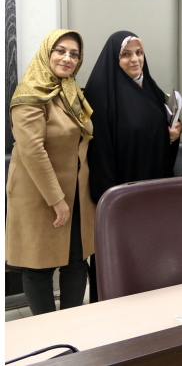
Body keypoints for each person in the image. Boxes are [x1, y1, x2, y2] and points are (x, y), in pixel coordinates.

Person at [83, 31, 182, 302]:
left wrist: (173, 134)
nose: (135, 59)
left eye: (139, 53)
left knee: (150, 258)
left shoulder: (148, 87)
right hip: (121, 191)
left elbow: (159, 129)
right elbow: (99, 152)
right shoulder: (100, 93)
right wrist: (110, 198)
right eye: (126, 54)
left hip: (152, 187)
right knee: (120, 262)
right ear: (114, 59)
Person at [6, 29, 95, 315]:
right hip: (38, 193)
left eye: (74, 54)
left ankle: (71, 326)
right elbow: (32, 150)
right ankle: (46, 331)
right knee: (38, 265)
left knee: (76, 261)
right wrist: (57, 200)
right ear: (47, 53)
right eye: (61, 51)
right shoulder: (30, 93)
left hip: (75, 193)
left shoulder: (71, 92)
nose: (68, 58)